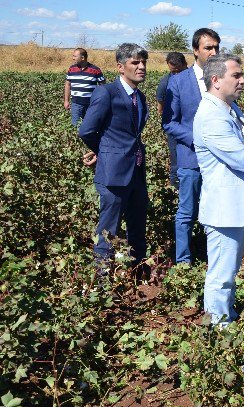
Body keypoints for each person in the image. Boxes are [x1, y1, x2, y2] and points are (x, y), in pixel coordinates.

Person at [193, 54, 244, 326]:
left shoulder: (231, 109)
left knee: (229, 268)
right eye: (236, 75)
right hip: (224, 208)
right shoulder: (211, 116)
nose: (243, 80)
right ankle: (219, 327)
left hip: (233, 205)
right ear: (215, 80)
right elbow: (243, 159)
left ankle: (226, 315)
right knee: (221, 273)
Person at [78, 43, 149, 276]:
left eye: (143, 62)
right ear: (120, 67)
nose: (141, 67)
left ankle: (138, 271)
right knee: (108, 229)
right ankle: (102, 280)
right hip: (114, 174)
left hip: (136, 171)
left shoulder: (141, 97)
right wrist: (105, 151)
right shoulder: (106, 93)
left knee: (138, 225)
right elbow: (87, 130)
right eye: (135, 63)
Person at [163, 28, 221, 265]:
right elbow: (169, 122)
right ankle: (184, 261)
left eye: (217, 47)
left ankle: (213, 258)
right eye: (208, 47)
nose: (214, 52)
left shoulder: (221, 79)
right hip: (191, 158)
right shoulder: (177, 82)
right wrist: (198, 139)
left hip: (218, 161)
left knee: (215, 213)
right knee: (186, 213)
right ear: (196, 51)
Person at [156, 52, 188, 188]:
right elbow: (160, 108)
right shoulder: (165, 82)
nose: (176, 75)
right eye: (173, 72)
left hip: (191, 125)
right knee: (175, 158)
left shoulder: (196, 80)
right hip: (174, 127)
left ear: (185, 65)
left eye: (179, 71)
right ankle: (176, 187)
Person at [64, 48, 106, 126]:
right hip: (76, 104)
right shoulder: (71, 69)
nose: (73, 58)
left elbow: (103, 86)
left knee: (90, 125)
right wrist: (66, 101)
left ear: (82, 58)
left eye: (75, 56)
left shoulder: (95, 70)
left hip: (91, 104)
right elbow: (68, 84)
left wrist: (101, 101)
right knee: (75, 125)